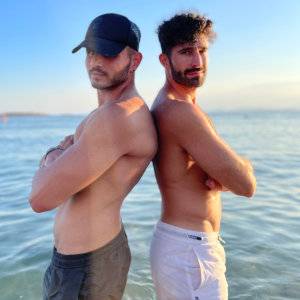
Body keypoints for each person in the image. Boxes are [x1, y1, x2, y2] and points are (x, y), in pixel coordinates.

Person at [29, 13, 157, 300]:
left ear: (135, 61)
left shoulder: (117, 117)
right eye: (90, 51)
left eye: (108, 53)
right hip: (88, 260)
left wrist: (55, 153)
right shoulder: (108, 115)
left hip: (87, 267)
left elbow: (40, 198)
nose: (95, 61)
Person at [150, 12, 256, 300]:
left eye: (202, 51)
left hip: (187, 249)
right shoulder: (178, 111)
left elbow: (231, 177)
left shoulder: (179, 107)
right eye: (186, 52)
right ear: (164, 60)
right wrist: (237, 168)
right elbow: (246, 185)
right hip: (189, 253)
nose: (197, 61)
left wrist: (225, 172)